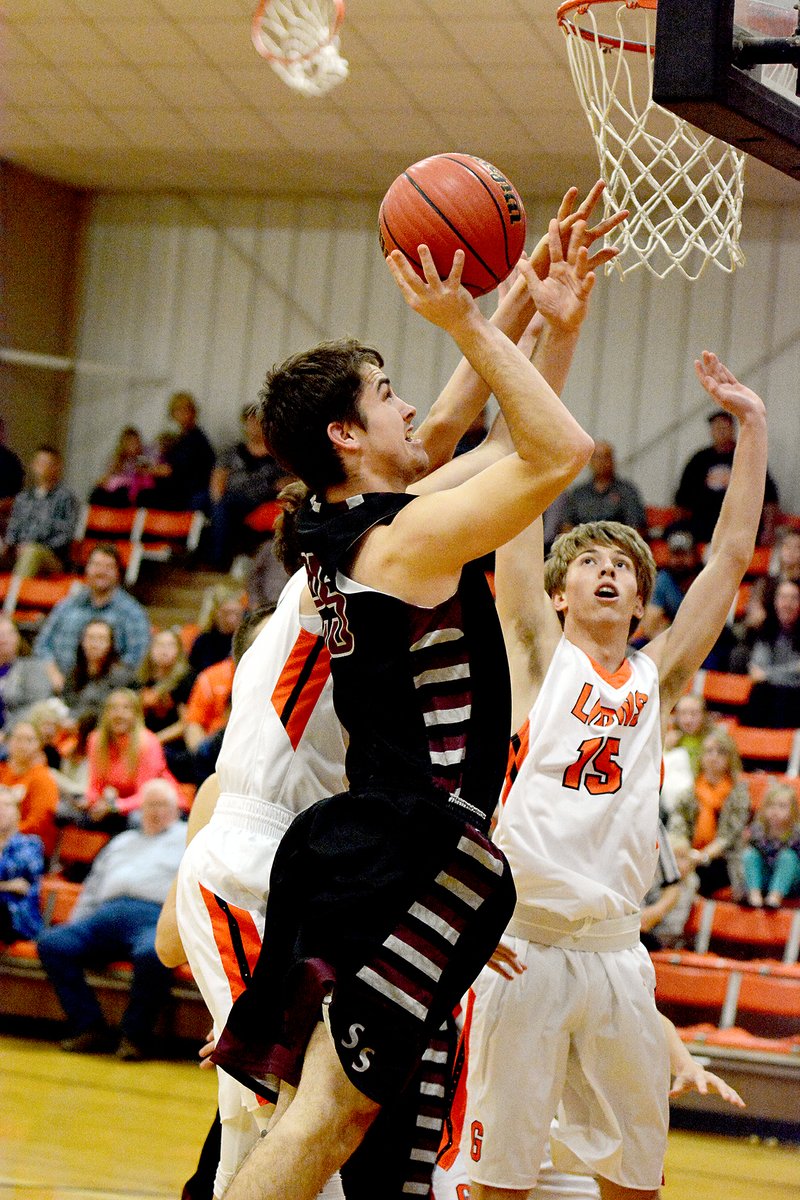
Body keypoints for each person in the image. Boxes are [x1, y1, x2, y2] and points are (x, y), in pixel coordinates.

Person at [208, 192, 608, 1199]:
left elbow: (487, 447)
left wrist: (530, 312)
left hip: (358, 843)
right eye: (383, 393)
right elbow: (552, 454)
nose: (407, 405)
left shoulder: (357, 530)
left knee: (341, 1129)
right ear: (346, 434)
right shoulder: (402, 540)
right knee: (327, 1125)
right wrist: (475, 319)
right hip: (406, 846)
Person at [462, 351, 767, 1200]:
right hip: (525, 948)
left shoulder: (656, 678)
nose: (606, 570)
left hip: (619, 957)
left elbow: (733, 554)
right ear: (559, 595)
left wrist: (753, 425)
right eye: (588, 562)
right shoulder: (534, 653)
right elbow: (518, 501)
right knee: (502, 1179)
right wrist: (547, 354)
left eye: (624, 568)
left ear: (640, 602)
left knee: (636, 1180)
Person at [36, 778, 186, 1059]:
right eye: (150, 805)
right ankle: (89, 1026)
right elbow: (93, 886)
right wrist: (78, 922)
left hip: (154, 918)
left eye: (163, 805)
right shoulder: (122, 841)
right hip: (105, 917)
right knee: (53, 943)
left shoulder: (187, 839)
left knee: (153, 954)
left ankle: (135, 1037)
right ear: (140, 809)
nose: (156, 811)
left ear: (176, 809)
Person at [33, 544, 151, 693]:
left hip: (106, 691)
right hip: (56, 685)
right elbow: (42, 645)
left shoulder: (132, 613)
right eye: (96, 565)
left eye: (108, 567)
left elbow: (138, 658)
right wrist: (54, 675)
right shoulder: (67, 605)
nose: (101, 571)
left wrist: (101, 683)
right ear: (87, 569)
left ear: (117, 573)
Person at [668, 727, 751, 900]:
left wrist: (700, 856)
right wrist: (684, 851)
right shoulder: (691, 790)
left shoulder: (739, 793)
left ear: (730, 758)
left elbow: (728, 837)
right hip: (689, 856)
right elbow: (678, 825)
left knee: (684, 876)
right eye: (709, 751)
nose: (714, 757)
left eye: (720, 752)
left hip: (723, 861)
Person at [675, 408, 778, 546]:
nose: (721, 431)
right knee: (676, 537)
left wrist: (768, 530)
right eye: (716, 428)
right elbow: (682, 498)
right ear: (711, 432)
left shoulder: (748, 458)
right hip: (703, 523)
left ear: (733, 430)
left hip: (738, 525)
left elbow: (769, 498)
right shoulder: (699, 459)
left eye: (724, 427)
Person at [82, 689, 181, 830]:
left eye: (126, 708)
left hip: (156, 804)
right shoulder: (95, 740)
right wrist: (91, 801)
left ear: (136, 715)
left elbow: (146, 795)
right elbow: (95, 785)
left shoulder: (148, 742)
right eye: (113, 708)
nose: (119, 714)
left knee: (135, 819)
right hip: (116, 805)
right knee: (75, 814)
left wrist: (114, 806)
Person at [208, 403, 289, 570]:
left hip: (262, 500)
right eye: (250, 422)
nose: (254, 427)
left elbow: (292, 480)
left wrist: (283, 484)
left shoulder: (278, 453)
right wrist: (217, 500)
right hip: (233, 499)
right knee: (218, 506)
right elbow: (218, 477)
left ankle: (219, 562)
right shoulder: (232, 451)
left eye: (259, 422)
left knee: (225, 508)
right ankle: (217, 561)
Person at [2, 445, 80, 577]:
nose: (43, 468)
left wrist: (34, 546)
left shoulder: (65, 499)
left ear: (57, 467)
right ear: (33, 465)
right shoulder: (23, 498)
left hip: (50, 557)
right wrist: (12, 546)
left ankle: (15, 596)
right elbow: (13, 528)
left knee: (32, 552)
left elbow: (65, 534)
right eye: (40, 463)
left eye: (48, 464)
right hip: (17, 552)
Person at [142, 391, 216, 511]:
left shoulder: (195, 439)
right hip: (179, 489)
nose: (183, 414)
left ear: (193, 412)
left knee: (144, 496)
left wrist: (145, 470)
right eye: (178, 411)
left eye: (186, 410)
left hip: (189, 492)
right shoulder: (180, 439)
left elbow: (171, 470)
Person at [741, 578, 800, 727]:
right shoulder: (766, 629)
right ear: (774, 602)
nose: (788, 604)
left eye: (794, 598)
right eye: (783, 598)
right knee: (759, 693)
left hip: (795, 697)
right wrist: (786, 675)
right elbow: (756, 671)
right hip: (771, 696)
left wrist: (768, 675)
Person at [0, 720, 59, 858]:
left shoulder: (43, 778)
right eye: (18, 739)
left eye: (29, 740)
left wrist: (5, 835)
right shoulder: (2, 772)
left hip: (28, 848)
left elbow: (38, 823)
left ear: (39, 745)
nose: (22, 745)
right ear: (8, 742)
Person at [560, 440, 646, 535]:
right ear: (590, 461)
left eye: (606, 457)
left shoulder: (627, 491)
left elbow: (635, 528)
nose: (601, 462)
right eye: (597, 457)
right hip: (583, 544)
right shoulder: (579, 493)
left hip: (616, 544)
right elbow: (567, 525)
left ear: (613, 460)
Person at [741, 780, 800, 909]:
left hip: (791, 882)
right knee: (749, 854)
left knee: (788, 857)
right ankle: (754, 895)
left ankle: (775, 897)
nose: (775, 811)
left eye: (782, 806)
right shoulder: (757, 830)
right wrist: (744, 842)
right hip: (766, 878)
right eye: (771, 806)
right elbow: (751, 861)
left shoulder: (797, 833)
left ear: (793, 810)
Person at [635, 528, 699, 644]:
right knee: (637, 646)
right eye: (675, 555)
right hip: (671, 640)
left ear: (694, 556)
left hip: (701, 640)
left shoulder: (703, 578)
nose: (679, 560)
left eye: (684, 554)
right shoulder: (663, 579)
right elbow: (650, 626)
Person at [61, 619, 133, 721]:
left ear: (110, 644)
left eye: (101, 639)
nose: (94, 644)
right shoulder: (73, 673)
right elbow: (65, 704)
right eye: (90, 638)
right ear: (82, 642)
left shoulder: (122, 676)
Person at [0, 785, 45, 944]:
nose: (1, 810)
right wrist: (7, 885)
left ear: (18, 812)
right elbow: (13, 881)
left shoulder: (31, 844)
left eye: (7, 805)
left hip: (18, 916)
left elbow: (20, 869)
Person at [136, 628, 195, 743]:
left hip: (172, 744)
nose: (164, 650)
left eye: (170, 645)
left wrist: (155, 741)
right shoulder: (141, 679)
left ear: (179, 651)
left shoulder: (185, 679)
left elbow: (185, 723)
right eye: (159, 645)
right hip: (143, 740)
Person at [0, 616, 53, 734]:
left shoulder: (32, 668)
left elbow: (37, 707)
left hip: (15, 735)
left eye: (9, 633)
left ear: (18, 637)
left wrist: (7, 732)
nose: (3, 639)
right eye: (0, 634)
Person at [89, 425, 156, 507]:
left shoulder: (145, 454)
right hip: (117, 487)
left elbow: (150, 470)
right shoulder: (117, 458)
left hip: (134, 489)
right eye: (129, 442)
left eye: (135, 442)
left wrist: (141, 464)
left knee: (122, 492)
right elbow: (105, 478)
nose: (133, 445)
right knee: (97, 493)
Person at [189, 587, 247, 674]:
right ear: (216, 613)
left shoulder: (247, 640)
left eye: (237, 613)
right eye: (227, 613)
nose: (232, 619)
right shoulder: (203, 641)